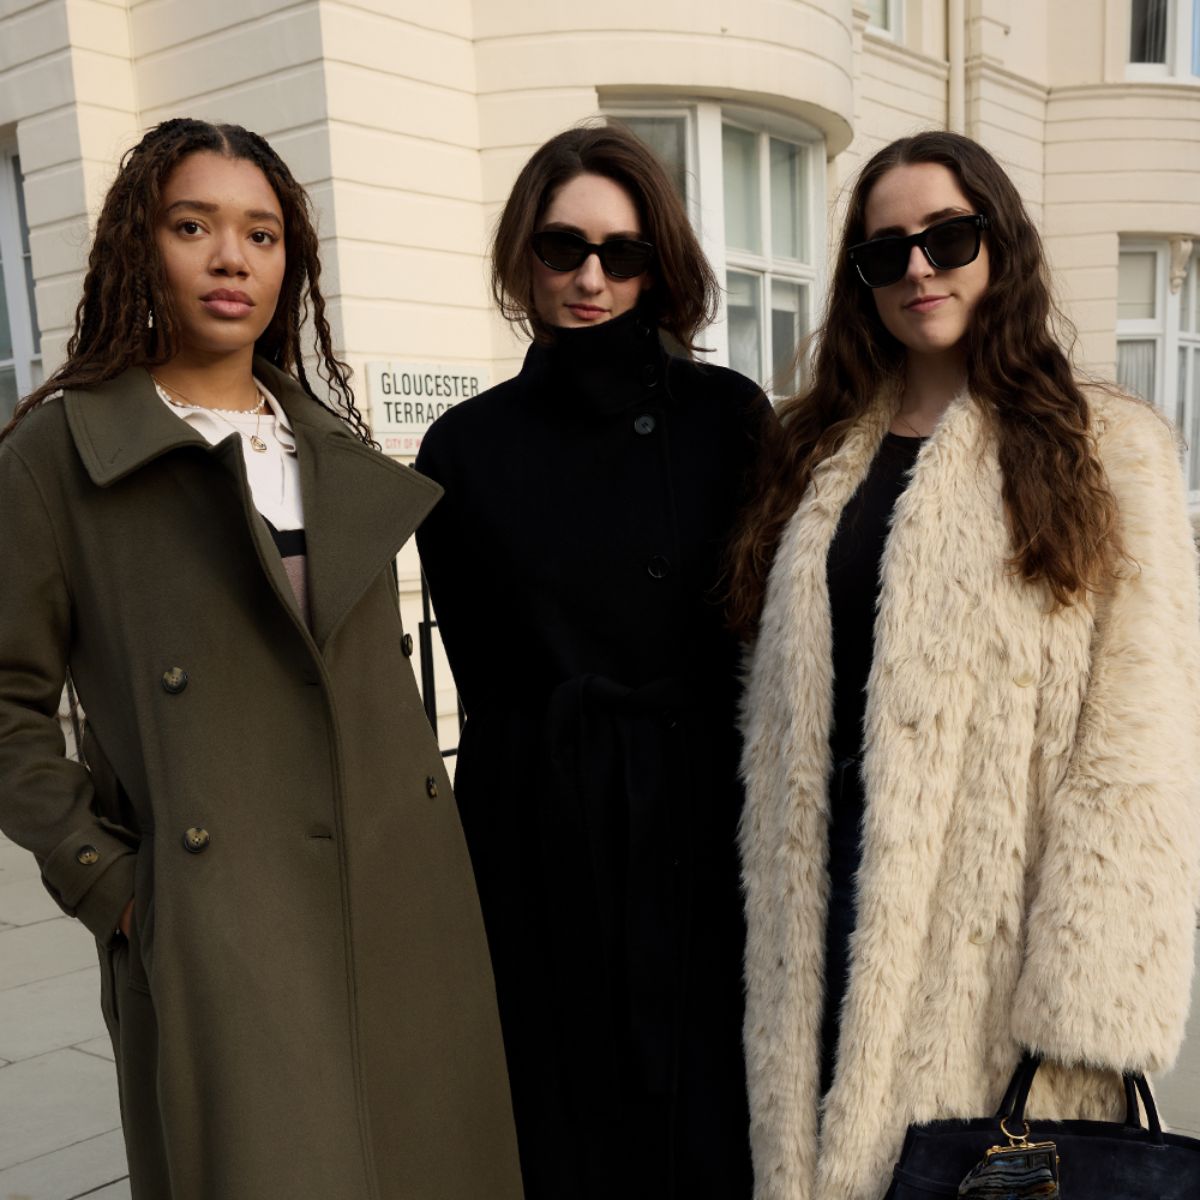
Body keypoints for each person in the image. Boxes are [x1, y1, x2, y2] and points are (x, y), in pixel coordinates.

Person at [0, 118, 522, 1200]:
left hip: (402, 900)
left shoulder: (327, 444)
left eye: (262, 233)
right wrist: (114, 885)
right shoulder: (60, 455)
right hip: (218, 923)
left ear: (293, 262)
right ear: (142, 246)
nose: (232, 258)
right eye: (194, 226)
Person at [727, 129, 1200, 1200]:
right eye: (884, 252)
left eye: (948, 236)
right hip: (824, 910)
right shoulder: (816, 451)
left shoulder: (1106, 445)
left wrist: (1087, 1006)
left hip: (991, 949)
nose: (919, 269)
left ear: (1001, 244)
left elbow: (1142, 739)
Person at [415, 123, 771, 1200]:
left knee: (708, 1118)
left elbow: (763, 632)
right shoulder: (464, 446)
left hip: (703, 814)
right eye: (562, 248)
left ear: (660, 264)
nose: (589, 278)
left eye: (622, 253)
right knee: (564, 1121)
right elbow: (482, 672)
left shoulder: (728, 416)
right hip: (542, 824)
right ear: (523, 254)